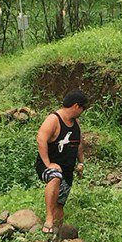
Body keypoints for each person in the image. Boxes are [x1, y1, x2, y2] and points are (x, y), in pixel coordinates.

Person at [35, 89, 87, 234]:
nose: (83, 111)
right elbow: (40, 139)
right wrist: (48, 164)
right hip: (48, 166)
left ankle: (54, 234)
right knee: (55, 177)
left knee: (60, 203)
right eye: (83, 108)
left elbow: (79, 144)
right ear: (77, 106)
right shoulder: (54, 119)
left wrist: (81, 162)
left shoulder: (75, 122)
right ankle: (48, 218)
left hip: (68, 169)